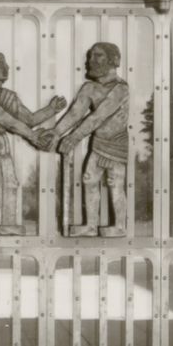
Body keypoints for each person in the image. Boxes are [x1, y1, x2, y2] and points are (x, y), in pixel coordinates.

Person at [0, 51, 65, 236]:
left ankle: (8, 223)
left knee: (11, 183)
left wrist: (51, 109)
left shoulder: (8, 96)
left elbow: (29, 119)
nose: (7, 68)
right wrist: (33, 137)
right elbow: (9, 121)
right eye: (2, 64)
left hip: (1, 143)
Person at [41, 42, 131, 237]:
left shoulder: (121, 88)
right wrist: (56, 133)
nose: (91, 60)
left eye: (98, 56)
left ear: (113, 60)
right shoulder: (89, 87)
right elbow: (75, 113)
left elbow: (98, 116)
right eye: (90, 56)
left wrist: (73, 137)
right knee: (89, 180)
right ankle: (91, 225)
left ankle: (120, 225)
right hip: (98, 143)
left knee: (116, 184)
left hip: (116, 143)